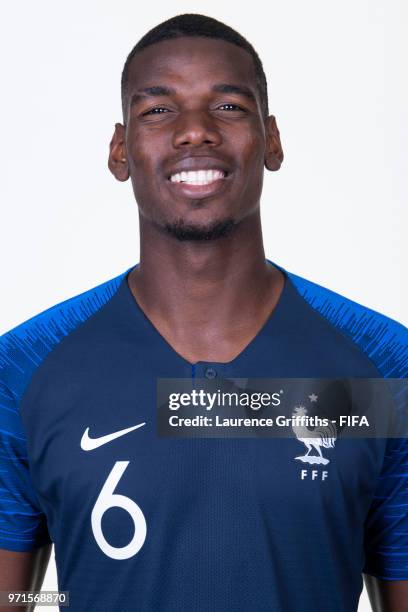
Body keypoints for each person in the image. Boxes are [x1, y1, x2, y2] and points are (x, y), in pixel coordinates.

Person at [0, 13, 406, 612]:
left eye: (229, 107)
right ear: (120, 150)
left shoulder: (382, 367)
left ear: (271, 140)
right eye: (159, 110)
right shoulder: (24, 368)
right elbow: (14, 596)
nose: (195, 132)